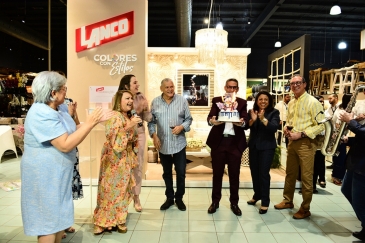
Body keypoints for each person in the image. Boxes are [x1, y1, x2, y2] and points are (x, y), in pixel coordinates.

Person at [21, 71, 112, 243]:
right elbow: (65, 144)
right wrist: (91, 122)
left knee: (58, 219)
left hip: (59, 174)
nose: (66, 92)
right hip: (44, 175)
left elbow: (74, 130)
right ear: (53, 93)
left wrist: (94, 121)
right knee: (48, 222)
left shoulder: (60, 108)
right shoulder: (40, 113)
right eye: (63, 89)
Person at [274, 74, 324, 220]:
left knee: (306, 177)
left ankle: (305, 208)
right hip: (292, 142)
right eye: (292, 84)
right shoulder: (291, 103)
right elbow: (290, 120)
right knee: (290, 173)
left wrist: (301, 134)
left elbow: (321, 126)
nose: (294, 85)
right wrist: (287, 129)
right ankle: (288, 200)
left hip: (306, 143)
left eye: (298, 83)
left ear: (304, 84)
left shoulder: (313, 102)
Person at [93, 90, 141, 234]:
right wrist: (129, 125)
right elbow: (116, 143)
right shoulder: (114, 117)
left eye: (131, 99)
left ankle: (119, 220)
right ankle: (101, 222)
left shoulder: (129, 116)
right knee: (107, 191)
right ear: (118, 100)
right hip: (112, 160)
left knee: (121, 191)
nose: (130, 101)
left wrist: (134, 154)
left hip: (125, 161)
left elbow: (132, 140)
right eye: (127, 98)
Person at [148, 78, 193, 211]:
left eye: (171, 86)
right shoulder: (155, 102)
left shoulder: (182, 101)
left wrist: (181, 127)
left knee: (180, 172)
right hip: (163, 144)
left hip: (179, 143)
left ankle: (179, 198)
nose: (170, 89)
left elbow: (189, 119)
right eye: (167, 87)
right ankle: (169, 198)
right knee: (166, 173)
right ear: (161, 88)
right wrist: (154, 135)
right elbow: (151, 122)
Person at [206, 78, 248, 216]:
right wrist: (212, 121)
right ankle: (215, 202)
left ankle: (234, 203)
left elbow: (245, 121)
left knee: (234, 175)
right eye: (229, 87)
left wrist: (241, 123)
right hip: (219, 143)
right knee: (217, 174)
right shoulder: (217, 100)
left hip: (234, 144)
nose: (231, 90)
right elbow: (210, 118)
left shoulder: (242, 102)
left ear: (237, 89)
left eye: (234, 87)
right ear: (225, 88)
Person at [117, 74, 152, 212]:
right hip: (124, 134)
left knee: (137, 166)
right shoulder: (117, 98)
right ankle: (122, 198)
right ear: (126, 86)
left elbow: (147, 118)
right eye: (135, 82)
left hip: (139, 134)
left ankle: (136, 197)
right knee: (123, 166)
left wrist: (148, 109)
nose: (138, 84)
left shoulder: (141, 97)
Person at [246, 91, 280, 214]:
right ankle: (257, 195)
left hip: (267, 147)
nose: (263, 101)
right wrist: (253, 120)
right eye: (260, 99)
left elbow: (274, 127)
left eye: (266, 99)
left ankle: (265, 202)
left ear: (269, 100)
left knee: (263, 174)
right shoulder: (252, 111)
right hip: (254, 147)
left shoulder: (274, 112)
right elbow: (246, 126)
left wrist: (263, 119)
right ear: (256, 101)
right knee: (254, 172)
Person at [338, 108, 365, 241]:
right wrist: (348, 141)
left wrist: (351, 121)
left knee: (359, 201)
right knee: (346, 190)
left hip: (362, 166)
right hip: (356, 163)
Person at [330, 94, 352, 186]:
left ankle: (337, 175)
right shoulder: (341, 111)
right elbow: (338, 125)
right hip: (339, 137)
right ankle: (337, 176)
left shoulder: (343, 109)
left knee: (339, 157)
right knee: (340, 158)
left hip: (342, 137)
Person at [324, 93, 339, 169]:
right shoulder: (329, 108)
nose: (329, 100)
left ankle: (337, 165)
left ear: (336, 98)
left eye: (330, 98)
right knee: (332, 148)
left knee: (338, 149)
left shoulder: (340, 107)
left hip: (338, 130)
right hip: (331, 130)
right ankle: (333, 163)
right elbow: (325, 116)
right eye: (328, 99)